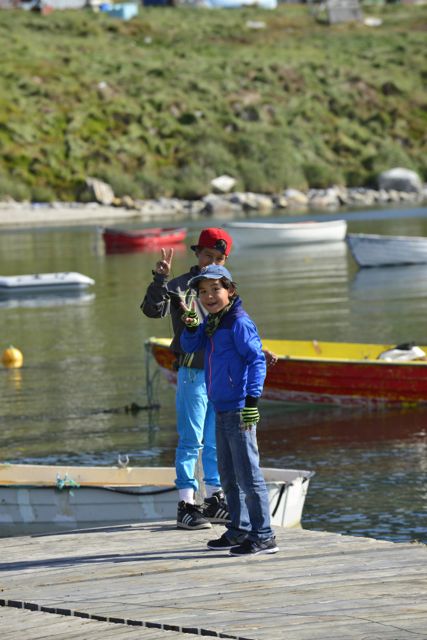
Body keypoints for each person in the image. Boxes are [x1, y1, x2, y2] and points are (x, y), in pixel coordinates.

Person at [180, 264, 278, 556]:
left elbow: (256, 361)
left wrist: (252, 402)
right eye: (203, 291)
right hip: (221, 408)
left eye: (215, 289)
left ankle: (264, 535)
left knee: (249, 475)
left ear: (230, 291)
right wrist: (191, 325)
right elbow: (190, 345)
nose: (209, 296)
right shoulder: (214, 322)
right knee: (228, 476)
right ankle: (239, 529)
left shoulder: (238, 322)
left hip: (239, 409)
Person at [141, 228, 234, 530]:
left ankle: (215, 499)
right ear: (197, 253)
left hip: (220, 374)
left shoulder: (225, 287)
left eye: (219, 258)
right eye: (208, 256)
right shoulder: (179, 285)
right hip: (192, 373)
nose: (212, 263)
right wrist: (160, 280)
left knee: (216, 440)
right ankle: (186, 505)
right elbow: (152, 311)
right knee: (191, 440)